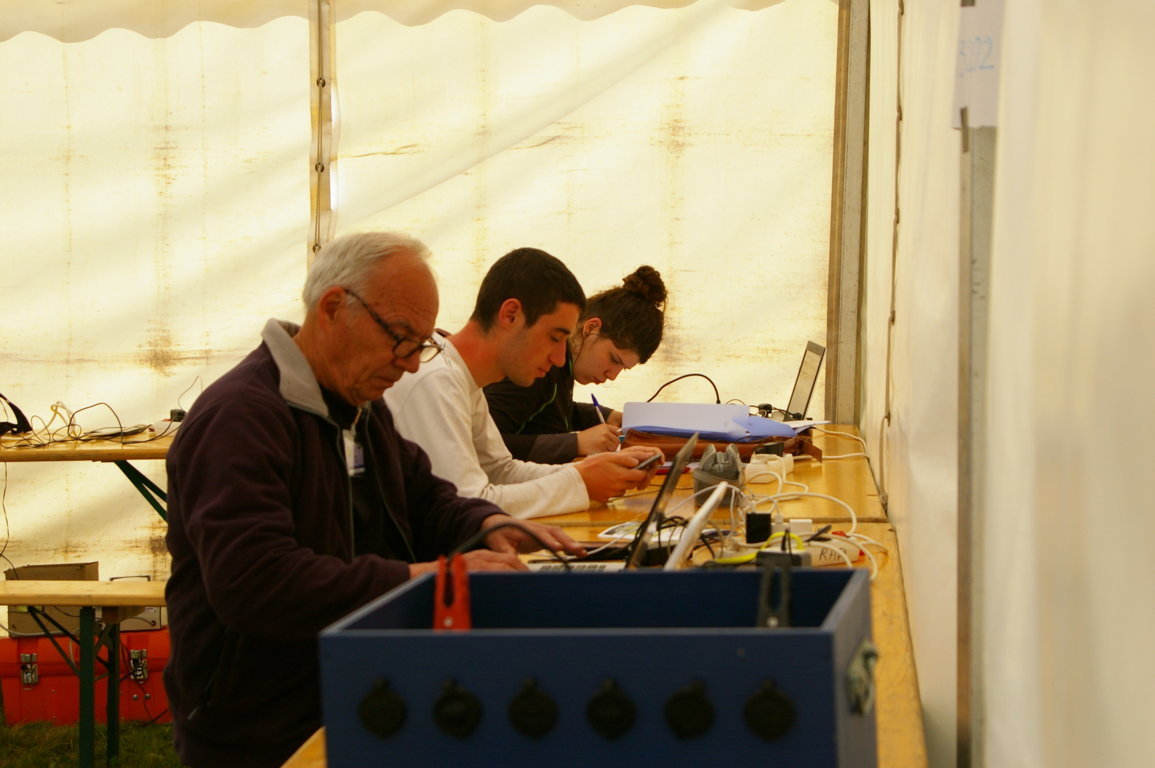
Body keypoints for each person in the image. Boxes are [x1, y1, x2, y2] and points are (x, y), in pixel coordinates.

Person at [163, 232, 583, 768]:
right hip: (259, 729)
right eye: (401, 338)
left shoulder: (360, 405)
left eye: (422, 344)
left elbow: (426, 498)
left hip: (351, 690)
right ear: (333, 308)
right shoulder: (241, 417)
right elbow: (255, 582)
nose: (411, 364)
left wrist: (489, 524)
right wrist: (426, 579)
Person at [385, 247, 661, 519]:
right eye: (554, 338)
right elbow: (466, 504)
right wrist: (580, 482)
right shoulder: (437, 379)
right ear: (510, 315)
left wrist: (592, 470)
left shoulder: (463, 379)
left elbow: (501, 470)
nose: (558, 358)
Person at [484, 265, 667, 463]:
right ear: (591, 328)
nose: (612, 375)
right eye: (614, 359)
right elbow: (484, 445)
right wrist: (576, 443)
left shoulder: (564, 366)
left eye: (623, 369)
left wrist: (607, 416)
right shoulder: (538, 364)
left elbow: (548, 410)